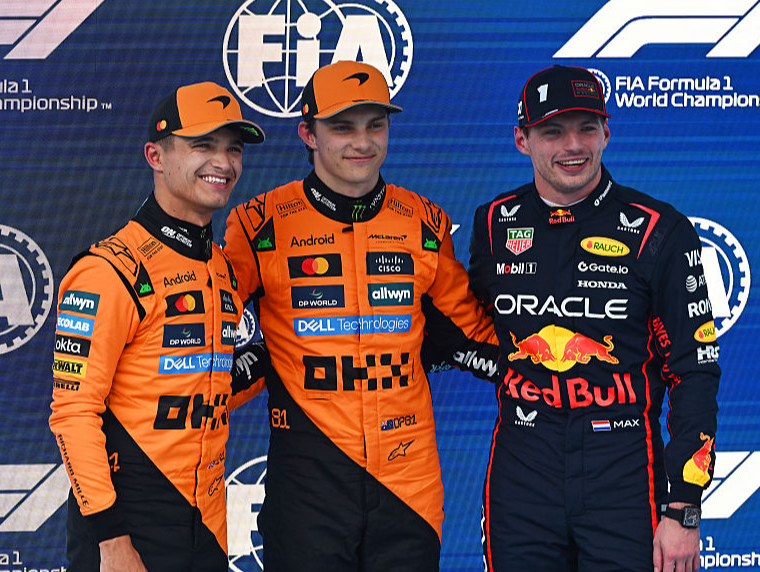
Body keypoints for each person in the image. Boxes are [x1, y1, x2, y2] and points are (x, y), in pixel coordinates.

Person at [223, 60, 500, 572]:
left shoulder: (424, 220)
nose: (363, 142)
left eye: (376, 124)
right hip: (309, 480)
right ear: (308, 133)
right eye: (342, 127)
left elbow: (472, 329)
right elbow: (206, 337)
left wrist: (558, 357)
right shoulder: (258, 222)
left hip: (408, 480)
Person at [468, 65, 721, 572]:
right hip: (524, 472)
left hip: (623, 471)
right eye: (552, 131)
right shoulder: (494, 223)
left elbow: (695, 372)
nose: (572, 146)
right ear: (523, 140)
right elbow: (469, 328)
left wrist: (684, 509)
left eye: (586, 127)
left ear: (607, 132)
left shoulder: (658, 230)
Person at [48, 81, 268, 572]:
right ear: (156, 155)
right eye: (203, 145)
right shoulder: (108, 270)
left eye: (233, 149)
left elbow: (205, 385)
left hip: (208, 527)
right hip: (128, 528)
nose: (224, 162)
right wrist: (112, 542)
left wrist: (282, 355)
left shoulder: (221, 268)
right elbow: (73, 413)